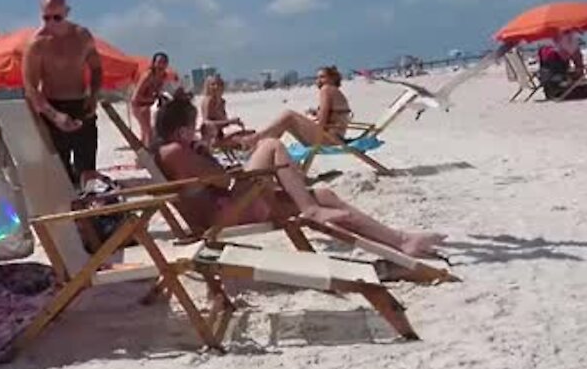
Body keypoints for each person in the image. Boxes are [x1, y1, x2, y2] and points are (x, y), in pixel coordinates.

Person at [153, 94, 445, 257]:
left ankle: (401, 240)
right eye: (193, 127)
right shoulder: (174, 152)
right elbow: (220, 179)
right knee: (271, 145)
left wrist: (204, 149)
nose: (196, 131)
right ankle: (310, 209)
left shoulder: (175, 150)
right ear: (181, 131)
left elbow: (215, 179)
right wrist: (204, 148)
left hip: (231, 206)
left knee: (326, 194)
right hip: (227, 214)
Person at [21, 0, 104, 186]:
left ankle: (90, 212)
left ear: (67, 11)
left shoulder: (82, 36)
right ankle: (70, 212)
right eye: (46, 17)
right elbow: (30, 87)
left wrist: (93, 97)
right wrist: (55, 115)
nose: (50, 23)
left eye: (56, 17)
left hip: (81, 105)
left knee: (88, 170)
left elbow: (97, 68)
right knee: (61, 174)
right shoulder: (37, 44)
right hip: (52, 108)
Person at [241, 66, 351, 148]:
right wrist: (316, 113)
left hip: (328, 140)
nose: (318, 80)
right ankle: (257, 146)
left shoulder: (327, 89)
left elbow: (322, 122)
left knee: (288, 115)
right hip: (336, 137)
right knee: (286, 123)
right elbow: (332, 116)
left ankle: (253, 141)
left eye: (322, 77)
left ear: (332, 78)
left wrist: (312, 119)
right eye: (317, 78)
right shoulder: (336, 92)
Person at [130, 52, 170, 148]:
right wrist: (151, 98)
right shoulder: (148, 76)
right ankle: (147, 154)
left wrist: (159, 97)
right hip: (138, 105)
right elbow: (135, 97)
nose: (161, 65)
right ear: (154, 63)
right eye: (159, 62)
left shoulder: (163, 76)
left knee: (146, 132)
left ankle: (142, 154)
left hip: (148, 104)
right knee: (148, 131)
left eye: (164, 62)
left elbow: (156, 91)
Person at [198, 74, 246, 144]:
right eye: (212, 84)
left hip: (220, 134)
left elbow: (223, 121)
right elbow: (206, 124)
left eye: (219, 84)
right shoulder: (208, 101)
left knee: (248, 135)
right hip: (210, 137)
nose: (216, 87)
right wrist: (230, 121)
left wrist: (233, 121)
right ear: (208, 87)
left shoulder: (222, 102)